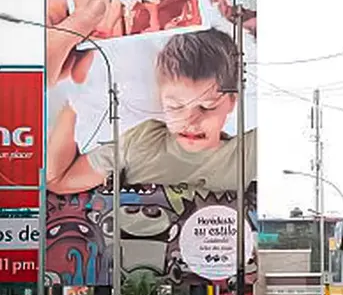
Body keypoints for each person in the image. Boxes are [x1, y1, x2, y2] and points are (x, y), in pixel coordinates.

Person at [45, 20, 258, 194]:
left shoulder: (249, 149)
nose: (190, 121)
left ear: (232, 100)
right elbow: (58, 179)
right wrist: (78, 102)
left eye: (207, 107)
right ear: (161, 99)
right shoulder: (142, 142)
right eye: (175, 107)